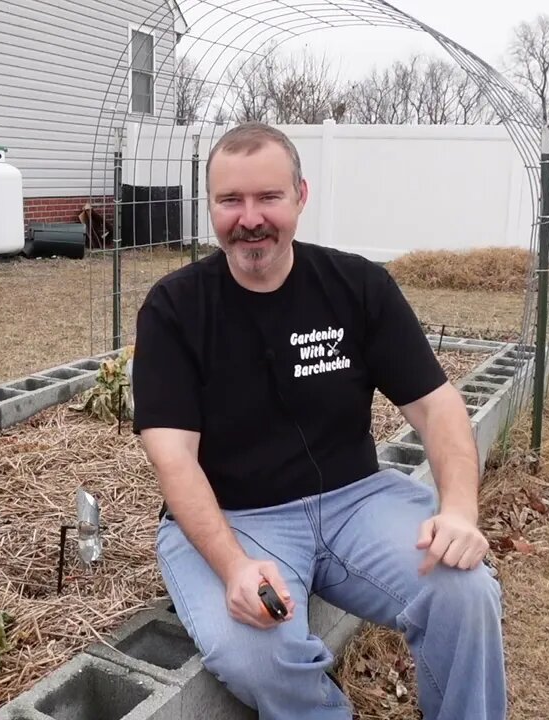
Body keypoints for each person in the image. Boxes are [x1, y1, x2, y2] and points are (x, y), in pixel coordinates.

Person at [130, 121, 507, 720]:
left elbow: (437, 406)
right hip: (238, 520)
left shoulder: (357, 286)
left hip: (356, 501)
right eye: (231, 200)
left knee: (464, 590)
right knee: (258, 653)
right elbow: (172, 457)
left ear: (301, 197)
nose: (249, 218)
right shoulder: (175, 309)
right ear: (212, 208)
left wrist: (458, 509)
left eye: (268, 197)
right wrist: (232, 566)